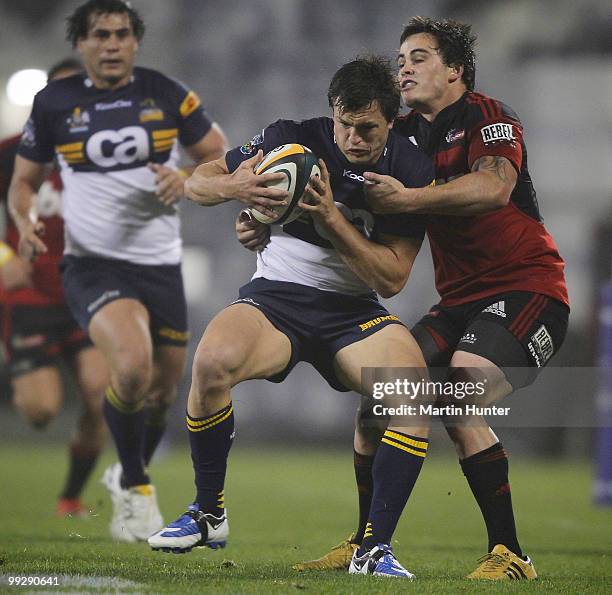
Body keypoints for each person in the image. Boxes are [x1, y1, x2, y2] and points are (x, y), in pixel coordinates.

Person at [272, 17, 568, 580]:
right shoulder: (399, 134)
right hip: (458, 302)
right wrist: (265, 215)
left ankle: (510, 554)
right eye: (401, 57)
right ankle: (366, 544)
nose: (404, 65)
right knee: (377, 401)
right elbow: (335, 173)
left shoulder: (487, 116)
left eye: (420, 56)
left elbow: (494, 186)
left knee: (457, 392)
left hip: (528, 288)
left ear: (455, 71)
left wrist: (409, 199)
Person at [148, 55, 437, 578]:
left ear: (391, 121)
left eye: (367, 128)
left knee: (412, 395)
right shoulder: (291, 139)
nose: (352, 138)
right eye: (343, 124)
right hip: (276, 298)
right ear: (332, 113)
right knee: (211, 363)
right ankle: (208, 511)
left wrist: (329, 218)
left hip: (354, 311)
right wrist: (239, 189)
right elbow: (198, 182)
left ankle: (374, 548)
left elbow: (391, 278)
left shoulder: (411, 170)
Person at [9, 0, 227, 542]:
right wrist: (24, 221)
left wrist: (184, 174)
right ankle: (135, 485)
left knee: (161, 390)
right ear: (81, 44)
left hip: (159, 264)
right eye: (100, 35)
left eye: (122, 34)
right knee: (130, 367)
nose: (111, 44)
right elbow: (22, 182)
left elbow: (218, 154)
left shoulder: (167, 92)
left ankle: (126, 472)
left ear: (135, 41)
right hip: (91, 262)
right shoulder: (55, 101)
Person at [0, 58, 108, 517]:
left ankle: (70, 498)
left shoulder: (108, 157)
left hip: (87, 293)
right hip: (30, 297)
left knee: (106, 398)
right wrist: (3, 258)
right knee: (41, 411)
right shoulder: (12, 153)